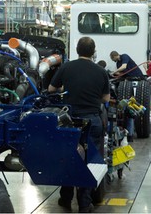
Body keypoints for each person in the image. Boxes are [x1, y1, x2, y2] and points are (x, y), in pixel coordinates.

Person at [48, 36, 110, 213]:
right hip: (92, 120)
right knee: (89, 161)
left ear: (77, 50)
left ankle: (65, 198)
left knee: (68, 157)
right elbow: (105, 98)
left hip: (70, 120)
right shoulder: (100, 71)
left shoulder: (66, 67)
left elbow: (51, 89)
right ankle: (84, 204)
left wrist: (65, 88)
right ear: (94, 51)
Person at [110, 51, 143, 142]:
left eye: (113, 59)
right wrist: (114, 75)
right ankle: (128, 134)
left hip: (137, 79)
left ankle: (131, 134)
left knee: (131, 108)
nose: (113, 61)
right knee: (128, 109)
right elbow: (122, 73)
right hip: (128, 81)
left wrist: (115, 71)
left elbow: (124, 67)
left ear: (115, 55)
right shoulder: (118, 63)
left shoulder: (124, 56)